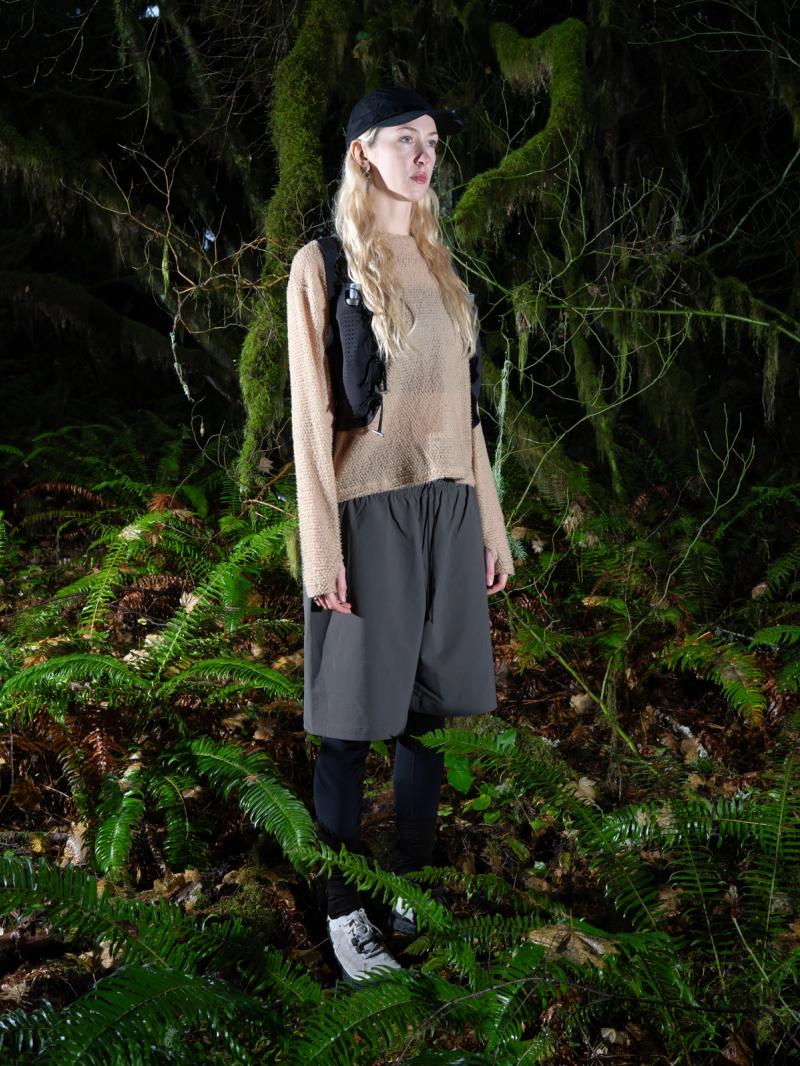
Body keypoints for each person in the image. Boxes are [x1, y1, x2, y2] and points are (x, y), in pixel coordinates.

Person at [286, 85, 515, 983]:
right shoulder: (325, 264)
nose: (424, 156)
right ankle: (344, 909)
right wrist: (322, 552)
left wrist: (490, 525)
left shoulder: (440, 264)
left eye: (431, 142)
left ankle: (413, 888)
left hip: (447, 510)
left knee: (427, 722)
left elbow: (468, 416)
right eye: (405, 140)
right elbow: (310, 423)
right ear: (362, 154)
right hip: (366, 510)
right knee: (349, 725)